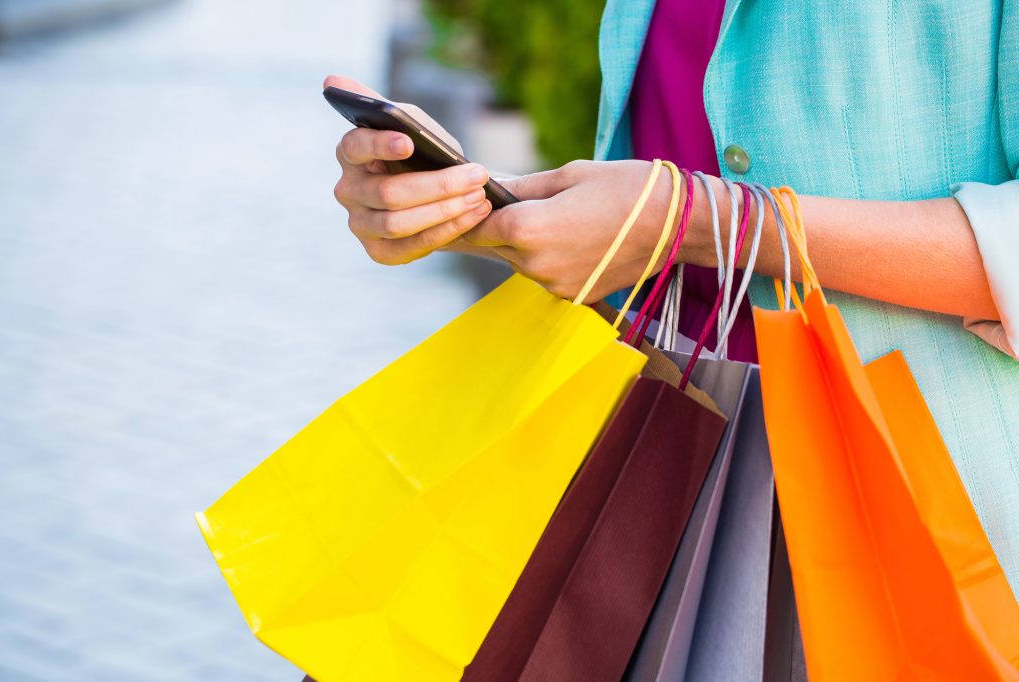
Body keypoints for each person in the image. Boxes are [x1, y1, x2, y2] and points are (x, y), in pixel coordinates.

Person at [326, 0, 1019, 595]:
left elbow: (678, 211)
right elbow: (663, 194)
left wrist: (695, 217)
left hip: (923, 518)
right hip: (664, 496)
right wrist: (487, 210)